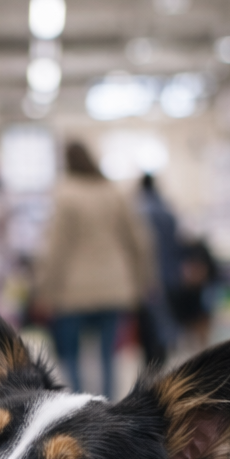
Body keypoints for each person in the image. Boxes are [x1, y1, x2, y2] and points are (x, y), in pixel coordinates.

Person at [36, 141, 151, 399]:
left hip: (72, 290)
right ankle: (107, 408)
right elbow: (138, 242)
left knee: (72, 354)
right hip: (115, 286)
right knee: (108, 355)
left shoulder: (65, 195)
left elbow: (55, 250)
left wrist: (45, 289)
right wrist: (142, 281)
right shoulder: (113, 193)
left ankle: (79, 408)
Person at [136, 174, 181, 367]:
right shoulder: (167, 210)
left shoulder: (139, 211)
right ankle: (164, 355)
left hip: (148, 275)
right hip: (170, 272)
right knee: (165, 317)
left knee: (149, 323)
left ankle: (152, 362)